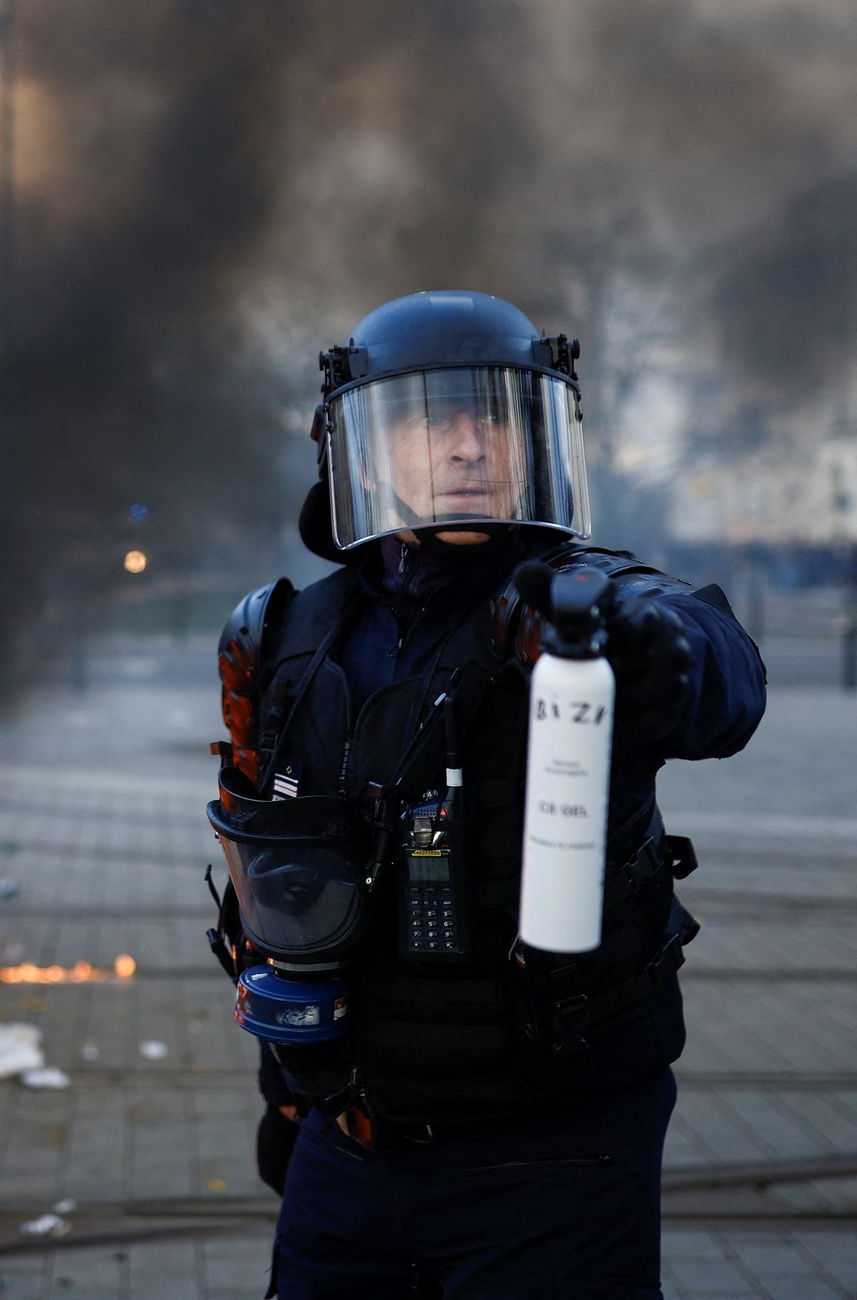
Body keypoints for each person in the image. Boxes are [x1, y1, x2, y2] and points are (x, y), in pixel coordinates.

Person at [207, 290, 766, 1298]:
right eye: (431, 417)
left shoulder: (580, 614)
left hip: (554, 1160)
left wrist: (663, 659)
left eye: (494, 416)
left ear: (536, 438)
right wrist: (286, 1097)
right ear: (363, 453)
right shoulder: (287, 641)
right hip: (350, 1141)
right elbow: (271, 898)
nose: (467, 446)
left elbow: (710, 662)